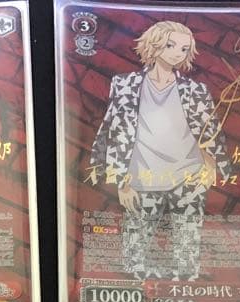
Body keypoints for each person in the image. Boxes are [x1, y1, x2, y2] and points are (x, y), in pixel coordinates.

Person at [90, 21, 231, 281]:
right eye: (171, 45)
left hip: (189, 178)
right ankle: (138, 295)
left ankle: (185, 293)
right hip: (142, 177)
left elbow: (209, 133)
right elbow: (116, 132)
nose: (178, 53)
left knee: (188, 251)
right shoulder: (125, 84)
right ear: (154, 45)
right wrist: (122, 182)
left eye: (184, 49)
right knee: (134, 253)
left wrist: (210, 168)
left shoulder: (195, 89)